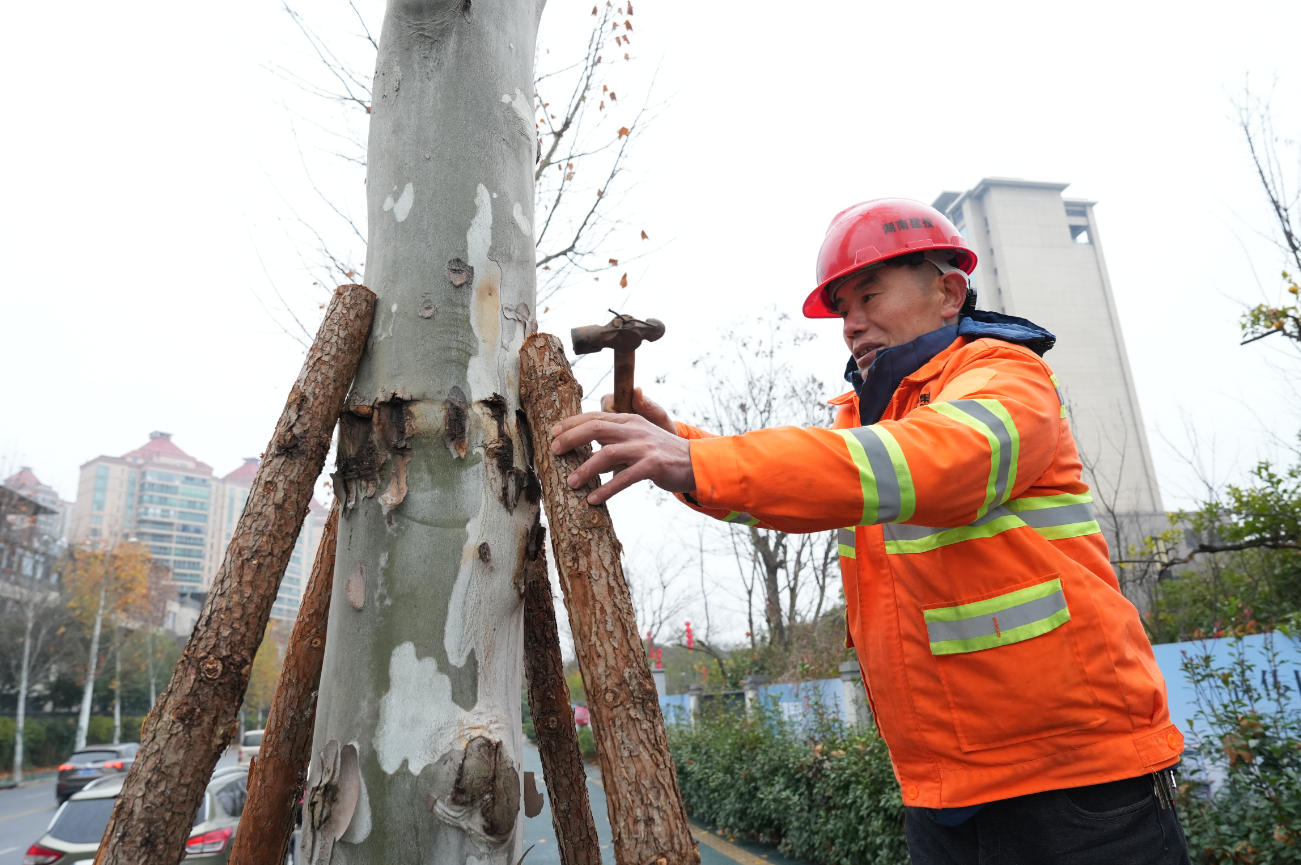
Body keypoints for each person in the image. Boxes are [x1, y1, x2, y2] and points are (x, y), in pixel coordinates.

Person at [550, 198, 1192, 864]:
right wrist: (678, 447)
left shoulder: (1006, 378)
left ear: (947, 292)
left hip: (1076, 786)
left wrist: (697, 460)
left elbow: (927, 462)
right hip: (945, 793)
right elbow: (796, 484)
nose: (851, 324)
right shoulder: (879, 416)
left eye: (868, 295)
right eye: (842, 309)